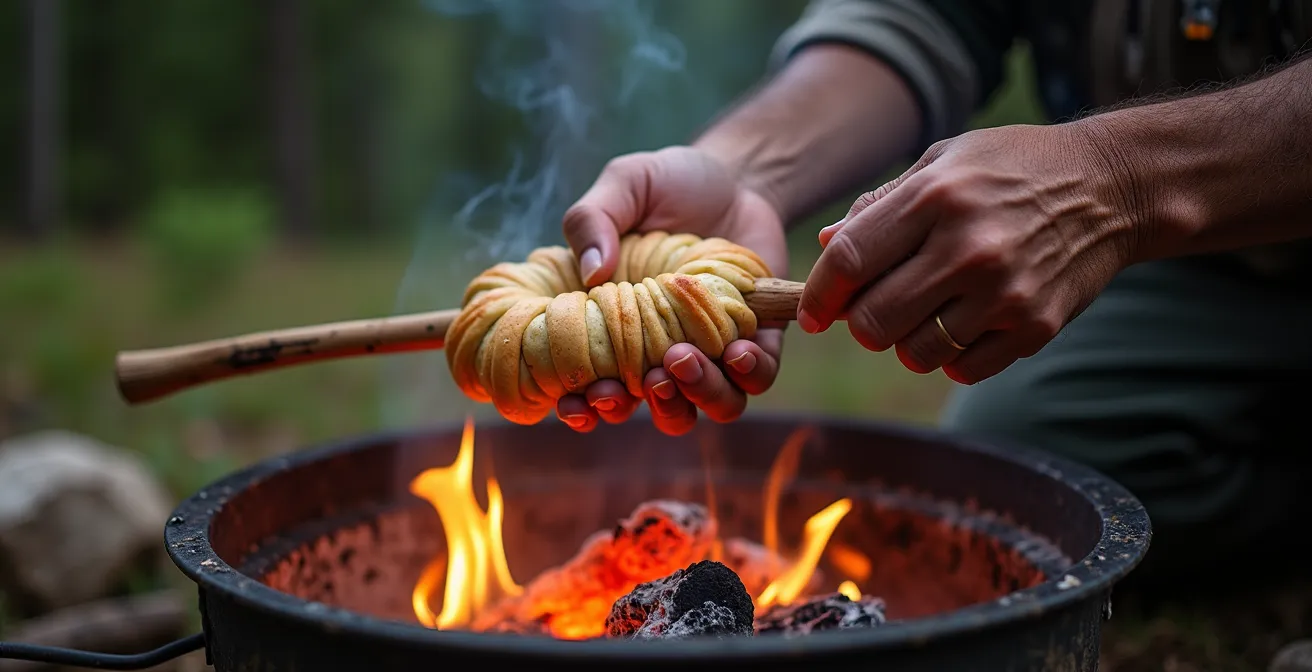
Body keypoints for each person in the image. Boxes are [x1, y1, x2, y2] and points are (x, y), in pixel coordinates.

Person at [551, 0, 1312, 603]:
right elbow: (927, 12)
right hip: (1206, 268)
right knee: (1032, 453)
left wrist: (1118, 179)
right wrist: (746, 173)